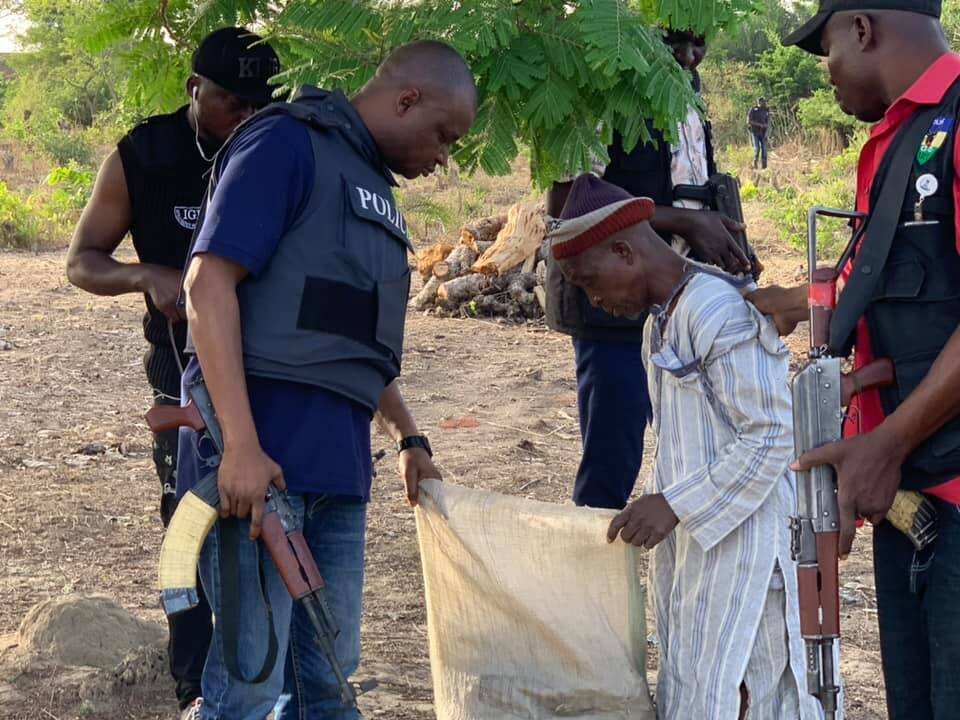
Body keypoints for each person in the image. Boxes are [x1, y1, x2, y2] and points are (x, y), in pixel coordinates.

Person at [177, 40, 476, 720]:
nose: (444, 156)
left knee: (331, 685)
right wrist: (244, 448)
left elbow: (350, 341)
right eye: (443, 134)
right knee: (248, 682)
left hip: (338, 471)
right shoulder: (286, 144)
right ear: (406, 100)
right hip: (260, 466)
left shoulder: (371, 190)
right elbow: (207, 284)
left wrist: (409, 436)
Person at [750, 2, 960, 717]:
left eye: (829, 48)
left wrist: (887, 442)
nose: (829, 73)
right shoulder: (900, 140)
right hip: (910, 496)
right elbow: (905, 296)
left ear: (863, 29)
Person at [64, 27, 280, 719]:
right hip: (180, 368)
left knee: (276, 514)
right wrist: (146, 275)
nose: (245, 117)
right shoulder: (143, 154)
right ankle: (193, 680)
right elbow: (81, 261)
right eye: (230, 102)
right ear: (193, 89)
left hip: (271, 364)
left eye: (259, 103)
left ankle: (274, 677)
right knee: (188, 519)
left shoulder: (284, 144)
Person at [549, 173, 821, 720]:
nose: (593, 300)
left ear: (625, 250)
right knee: (698, 682)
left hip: (750, 547)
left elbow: (771, 434)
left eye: (588, 281)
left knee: (764, 692)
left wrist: (675, 505)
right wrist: (657, 501)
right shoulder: (662, 322)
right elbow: (685, 439)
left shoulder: (715, 310)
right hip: (705, 541)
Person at [544, 27, 755, 510]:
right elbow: (564, 203)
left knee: (694, 444)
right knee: (611, 460)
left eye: (699, 43)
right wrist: (683, 220)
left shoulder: (687, 90)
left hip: (680, 299)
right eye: (675, 43)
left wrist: (724, 242)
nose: (689, 56)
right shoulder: (603, 89)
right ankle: (595, 575)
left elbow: (694, 186)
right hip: (613, 310)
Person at [748, 96, 770, 169]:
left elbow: (767, 122)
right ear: (758, 102)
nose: (763, 103)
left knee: (764, 149)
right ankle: (755, 164)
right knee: (757, 148)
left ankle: (764, 167)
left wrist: (766, 130)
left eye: (764, 102)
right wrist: (759, 124)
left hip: (763, 132)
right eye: (761, 102)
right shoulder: (753, 110)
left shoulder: (766, 110)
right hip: (754, 132)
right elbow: (749, 121)